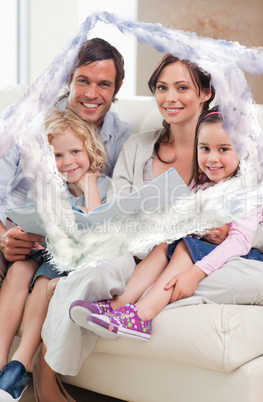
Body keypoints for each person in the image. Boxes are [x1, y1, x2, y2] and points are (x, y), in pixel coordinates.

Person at [0, 38, 132, 401]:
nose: (91, 92)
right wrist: (6, 234)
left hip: (69, 251)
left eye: (103, 83)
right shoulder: (29, 119)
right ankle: (4, 371)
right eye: (83, 81)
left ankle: (23, 365)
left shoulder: (120, 141)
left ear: (117, 88)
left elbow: (106, 212)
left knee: (40, 275)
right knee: (19, 269)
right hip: (20, 235)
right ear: (68, 80)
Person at [78, 107, 263, 341]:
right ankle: (117, 305)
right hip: (200, 249)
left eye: (223, 149)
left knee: (185, 245)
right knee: (165, 243)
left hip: (242, 256)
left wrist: (196, 273)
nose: (212, 158)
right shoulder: (202, 184)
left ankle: (142, 315)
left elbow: (240, 242)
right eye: (204, 148)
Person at [0, 107, 112, 401]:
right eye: (56, 156)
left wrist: (88, 185)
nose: (67, 162)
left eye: (75, 151)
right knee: (17, 271)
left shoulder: (102, 185)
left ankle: (20, 365)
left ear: (90, 149)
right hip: (46, 251)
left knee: (42, 282)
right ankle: (1, 365)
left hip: (71, 261)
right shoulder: (45, 188)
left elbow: (96, 224)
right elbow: (38, 225)